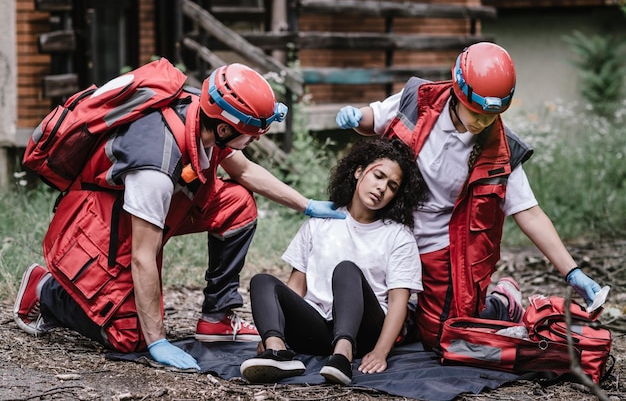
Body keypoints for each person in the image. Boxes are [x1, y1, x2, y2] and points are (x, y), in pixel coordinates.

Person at [13, 63, 345, 371]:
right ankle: (45, 290)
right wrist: (157, 341)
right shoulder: (154, 167)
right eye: (253, 133)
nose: (257, 138)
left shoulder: (203, 114)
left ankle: (217, 316)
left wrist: (307, 204)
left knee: (237, 205)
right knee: (131, 337)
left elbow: (242, 169)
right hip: (101, 226)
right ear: (225, 129)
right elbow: (143, 257)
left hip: (161, 209)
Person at [334, 42, 604, 350]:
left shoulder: (503, 149)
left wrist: (573, 273)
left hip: (442, 247)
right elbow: (376, 118)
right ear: (458, 92)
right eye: (475, 112)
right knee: (369, 319)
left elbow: (529, 213)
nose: (482, 122)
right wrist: (356, 116)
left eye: (491, 115)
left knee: (443, 338)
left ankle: (502, 303)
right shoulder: (418, 99)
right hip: (389, 231)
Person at [239, 138, 428, 385]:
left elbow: (398, 303)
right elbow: (296, 288)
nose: (382, 188)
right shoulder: (321, 222)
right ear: (359, 171)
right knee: (263, 281)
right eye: (378, 176)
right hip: (317, 329)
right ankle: (276, 352)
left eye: (392, 186)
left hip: (364, 332)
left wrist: (381, 352)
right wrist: (272, 331)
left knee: (346, 270)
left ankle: (342, 356)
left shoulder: (397, 236)